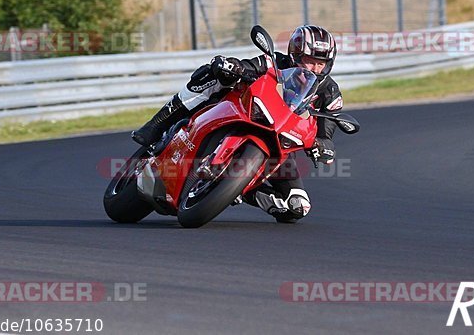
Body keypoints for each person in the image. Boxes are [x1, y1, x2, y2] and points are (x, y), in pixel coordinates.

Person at [131, 25, 342, 223]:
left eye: (319, 63)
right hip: (247, 113)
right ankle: (156, 126)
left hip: (279, 145)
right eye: (308, 60)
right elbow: (249, 67)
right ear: (295, 55)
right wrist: (234, 66)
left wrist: (324, 147)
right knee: (212, 75)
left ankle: (241, 188)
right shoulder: (275, 63)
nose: (313, 67)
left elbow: (325, 133)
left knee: (297, 207)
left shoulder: (329, 93)